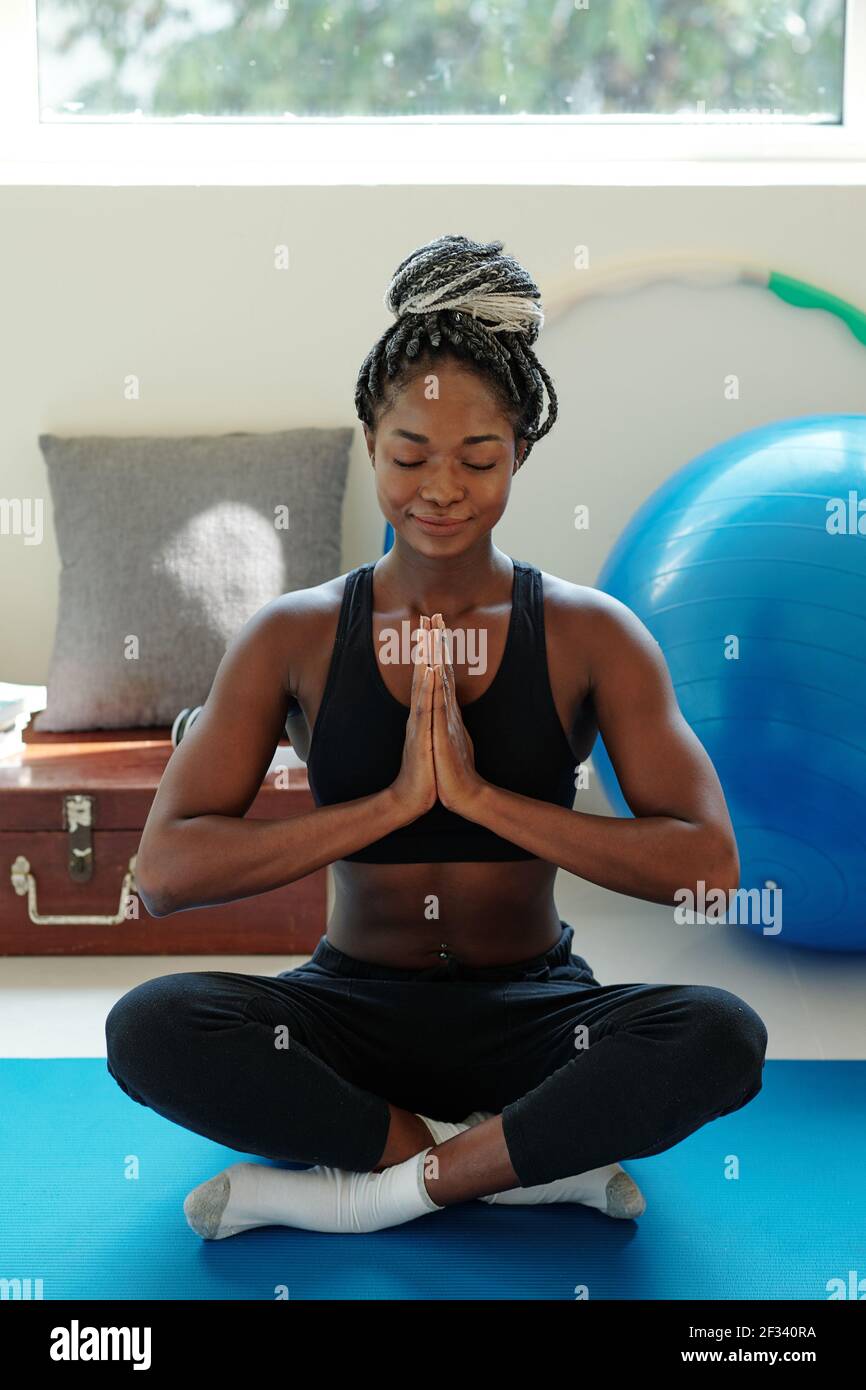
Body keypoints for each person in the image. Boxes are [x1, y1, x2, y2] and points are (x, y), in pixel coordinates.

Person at [106, 234, 768, 1239]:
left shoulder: (591, 635)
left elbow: (708, 867)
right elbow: (164, 869)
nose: (441, 488)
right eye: (409, 455)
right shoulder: (293, 636)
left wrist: (484, 801)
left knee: (719, 1035)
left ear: (521, 453)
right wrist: (391, 806)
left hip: (535, 1012)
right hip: (350, 1017)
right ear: (371, 442)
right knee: (150, 1027)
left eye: (478, 457)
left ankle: (373, 1188)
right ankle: (514, 1163)